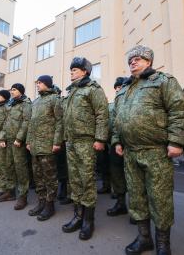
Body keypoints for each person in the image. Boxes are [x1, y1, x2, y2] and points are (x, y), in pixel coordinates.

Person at [112, 45, 184, 255]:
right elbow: (117, 119)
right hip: (130, 152)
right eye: (130, 60)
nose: (133, 62)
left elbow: (179, 110)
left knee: (160, 197)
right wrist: (117, 140)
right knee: (136, 197)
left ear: (149, 61)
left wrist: (176, 141)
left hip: (156, 151)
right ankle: (144, 237)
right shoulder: (125, 89)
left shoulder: (163, 81)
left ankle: (163, 242)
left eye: (138, 59)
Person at [62, 57, 109, 240]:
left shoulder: (93, 89)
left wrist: (100, 138)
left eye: (75, 69)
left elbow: (102, 114)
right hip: (71, 142)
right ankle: (78, 215)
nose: (72, 72)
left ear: (85, 71)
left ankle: (89, 220)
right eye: (71, 69)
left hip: (87, 142)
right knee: (74, 180)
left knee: (87, 179)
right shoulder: (71, 92)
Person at [26, 75, 63, 221]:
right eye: (37, 83)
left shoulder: (55, 99)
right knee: (38, 176)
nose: (37, 85)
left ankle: (50, 204)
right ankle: (41, 201)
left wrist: (57, 142)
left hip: (47, 145)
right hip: (35, 145)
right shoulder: (35, 102)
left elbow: (60, 122)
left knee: (50, 176)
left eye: (40, 82)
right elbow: (31, 123)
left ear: (47, 84)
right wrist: (28, 141)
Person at [0, 83, 32, 210]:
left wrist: (19, 138)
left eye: (14, 90)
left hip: (18, 142)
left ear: (21, 91)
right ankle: (10, 192)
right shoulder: (11, 105)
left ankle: (23, 196)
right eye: (11, 90)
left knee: (20, 169)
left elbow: (26, 122)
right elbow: (6, 122)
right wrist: (2, 137)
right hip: (8, 140)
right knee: (9, 166)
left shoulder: (26, 104)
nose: (12, 92)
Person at [106, 77, 128, 217]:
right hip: (115, 143)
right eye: (116, 88)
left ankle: (137, 210)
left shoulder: (132, 100)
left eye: (119, 87)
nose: (118, 90)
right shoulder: (114, 104)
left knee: (134, 177)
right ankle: (121, 203)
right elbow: (112, 123)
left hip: (131, 143)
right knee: (116, 173)